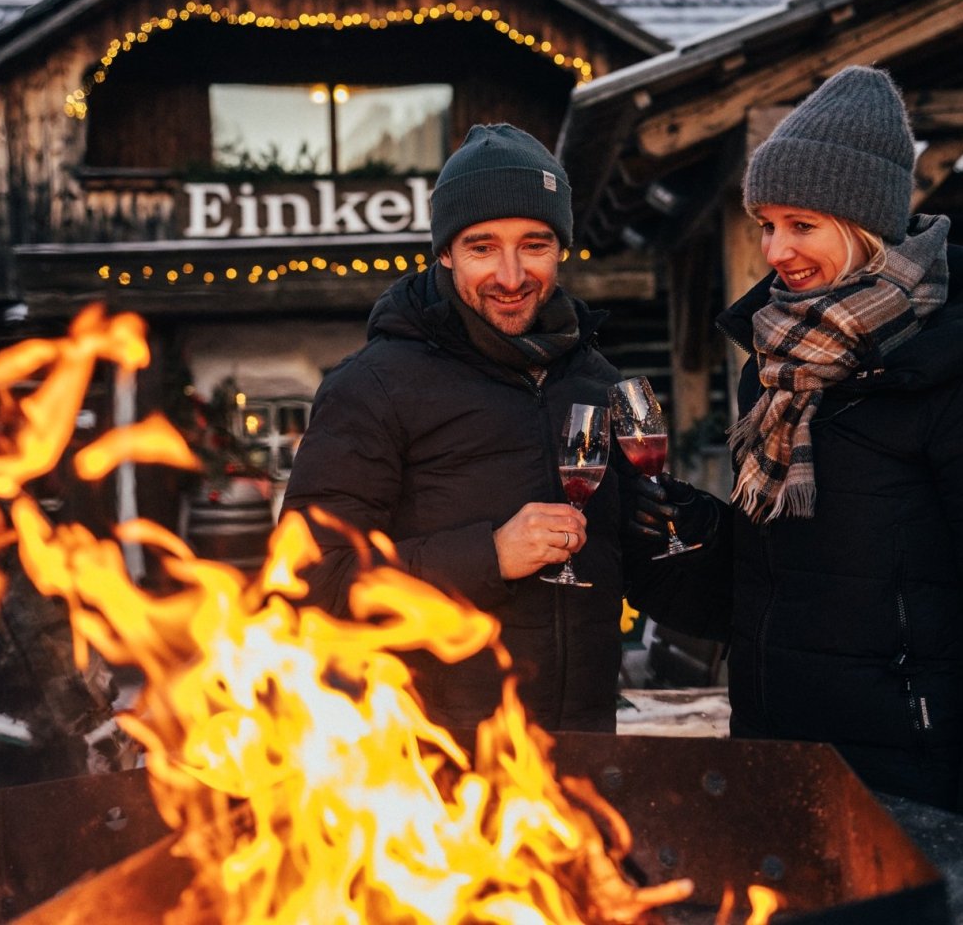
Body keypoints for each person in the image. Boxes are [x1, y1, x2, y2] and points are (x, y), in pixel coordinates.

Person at [699, 65, 963, 845]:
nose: (775, 250)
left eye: (800, 225)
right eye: (765, 225)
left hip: (916, 785)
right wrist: (669, 536)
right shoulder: (773, 368)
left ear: (864, 222)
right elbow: (771, 582)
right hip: (780, 765)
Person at [280, 123, 708, 732]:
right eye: (483, 247)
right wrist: (488, 555)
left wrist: (689, 532)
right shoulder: (371, 389)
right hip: (439, 772)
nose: (511, 276)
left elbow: (635, 568)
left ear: (560, 247)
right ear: (446, 252)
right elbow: (311, 583)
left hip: (581, 754)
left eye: (534, 244)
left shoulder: (596, 382)